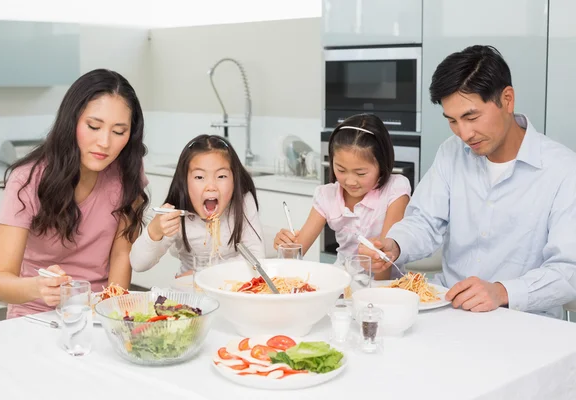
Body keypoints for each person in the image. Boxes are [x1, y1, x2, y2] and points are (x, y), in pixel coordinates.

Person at [361, 45, 576, 318]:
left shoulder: (563, 170)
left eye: (471, 117)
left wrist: (502, 292)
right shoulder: (450, 153)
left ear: (507, 100)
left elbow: (569, 270)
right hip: (448, 308)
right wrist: (396, 245)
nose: (463, 133)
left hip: (521, 322)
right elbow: (424, 221)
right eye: (452, 120)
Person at [0, 69, 149, 318]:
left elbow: (121, 254)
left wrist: (113, 314)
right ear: (71, 120)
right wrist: (37, 287)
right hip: (36, 315)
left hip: (97, 313)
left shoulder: (128, 172)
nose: (105, 142)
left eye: (119, 132)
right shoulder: (27, 179)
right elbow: (0, 285)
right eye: (94, 126)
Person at [273, 113, 411, 279]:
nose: (350, 181)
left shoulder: (395, 189)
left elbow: (384, 261)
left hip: (385, 285)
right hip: (342, 281)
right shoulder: (326, 195)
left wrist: (373, 296)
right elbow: (296, 253)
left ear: (382, 165)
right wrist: (286, 247)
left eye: (361, 173)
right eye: (341, 170)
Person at [130, 134, 264, 275]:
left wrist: (202, 274)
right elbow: (138, 264)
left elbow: (256, 257)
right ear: (184, 182)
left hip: (231, 287)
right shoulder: (177, 212)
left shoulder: (242, 202)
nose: (211, 186)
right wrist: (154, 231)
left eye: (221, 176)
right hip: (188, 291)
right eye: (199, 177)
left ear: (234, 180)